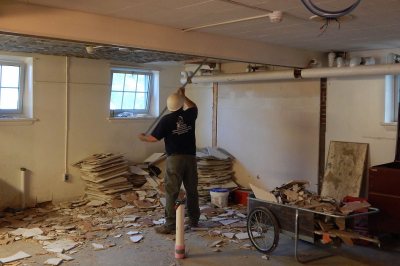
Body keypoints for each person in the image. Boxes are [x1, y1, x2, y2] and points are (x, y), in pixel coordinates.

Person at [138, 87, 200, 234]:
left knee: (172, 191)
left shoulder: (166, 120)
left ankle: (170, 225)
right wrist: (184, 96)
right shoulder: (190, 115)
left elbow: (153, 138)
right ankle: (194, 220)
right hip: (190, 158)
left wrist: (142, 138)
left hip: (175, 160)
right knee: (192, 190)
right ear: (181, 104)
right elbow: (193, 106)